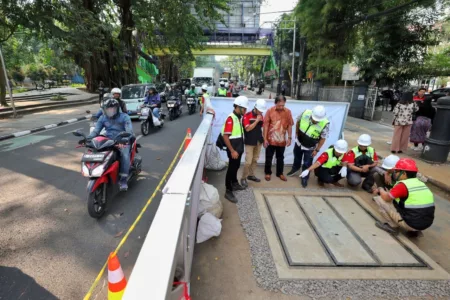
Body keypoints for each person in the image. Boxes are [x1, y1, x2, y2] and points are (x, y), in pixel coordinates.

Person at [374, 158, 435, 236]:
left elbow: (386, 198)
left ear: (404, 174)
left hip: (412, 224)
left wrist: (380, 189)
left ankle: (393, 227)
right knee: (408, 206)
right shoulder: (421, 184)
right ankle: (414, 231)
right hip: (426, 223)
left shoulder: (403, 185)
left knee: (380, 199)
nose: (395, 173)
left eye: (396, 172)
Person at [88, 99, 134, 191]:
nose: (110, 110)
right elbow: (96, 131)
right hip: (109, 140)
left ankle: (123, 179)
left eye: (112, 108)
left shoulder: (124, 117)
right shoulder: (103, 118)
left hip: (122, 140)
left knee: (124, 155)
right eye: (108, 109)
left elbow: (129, 131)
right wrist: (88, 138)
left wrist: (124, 139)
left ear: (117, 109)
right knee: (98, 152)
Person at [287, 105, 329, 188]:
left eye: (317, 120)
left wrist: (317, 150)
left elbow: (323, 138)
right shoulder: (305, 113)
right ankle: (295, 168)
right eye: (314, 119)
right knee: (297, 157)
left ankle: (305, 177)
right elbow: (298, 122)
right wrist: (296, 133)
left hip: (310, 147)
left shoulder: (325, 123)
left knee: (307, 163)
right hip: (299, 142)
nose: (315, 121)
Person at [217, 96, 249, 203]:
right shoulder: (231, 118)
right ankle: (228, 190)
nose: (246, 110)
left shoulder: (238, 117)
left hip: (238, 148)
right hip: (233, 149)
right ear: (238, 107)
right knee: (231, 168)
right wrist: (232, 151)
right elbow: (226, 136)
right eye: (244, 108)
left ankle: (234, 183)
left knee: (236, 167)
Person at [263, 95, 294, 182]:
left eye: (283, 105)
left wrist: (289, 138)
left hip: (281, 141)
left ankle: (280, 173)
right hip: (270, 139)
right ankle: (268, 173)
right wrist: (265, 139)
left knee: (280, 157)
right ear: (275, 103)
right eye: (279, 105)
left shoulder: (288, 112)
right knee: (269, 157)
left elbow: (289, 126)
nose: (281, 107)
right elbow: (265, 126)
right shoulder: (270, 111)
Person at [240, 99, 267, 187]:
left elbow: (261, 128)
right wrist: (256, 120)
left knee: (255, 159)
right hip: (249, 142)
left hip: (258, 141)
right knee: (248, 161)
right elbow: (247, 129)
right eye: (260, 110)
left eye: (262, 111)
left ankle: (251, 175)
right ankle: (243, 178)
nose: (261, 113)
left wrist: (264, 139)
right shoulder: (247, 116)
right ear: (255, 107)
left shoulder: (261, 115)